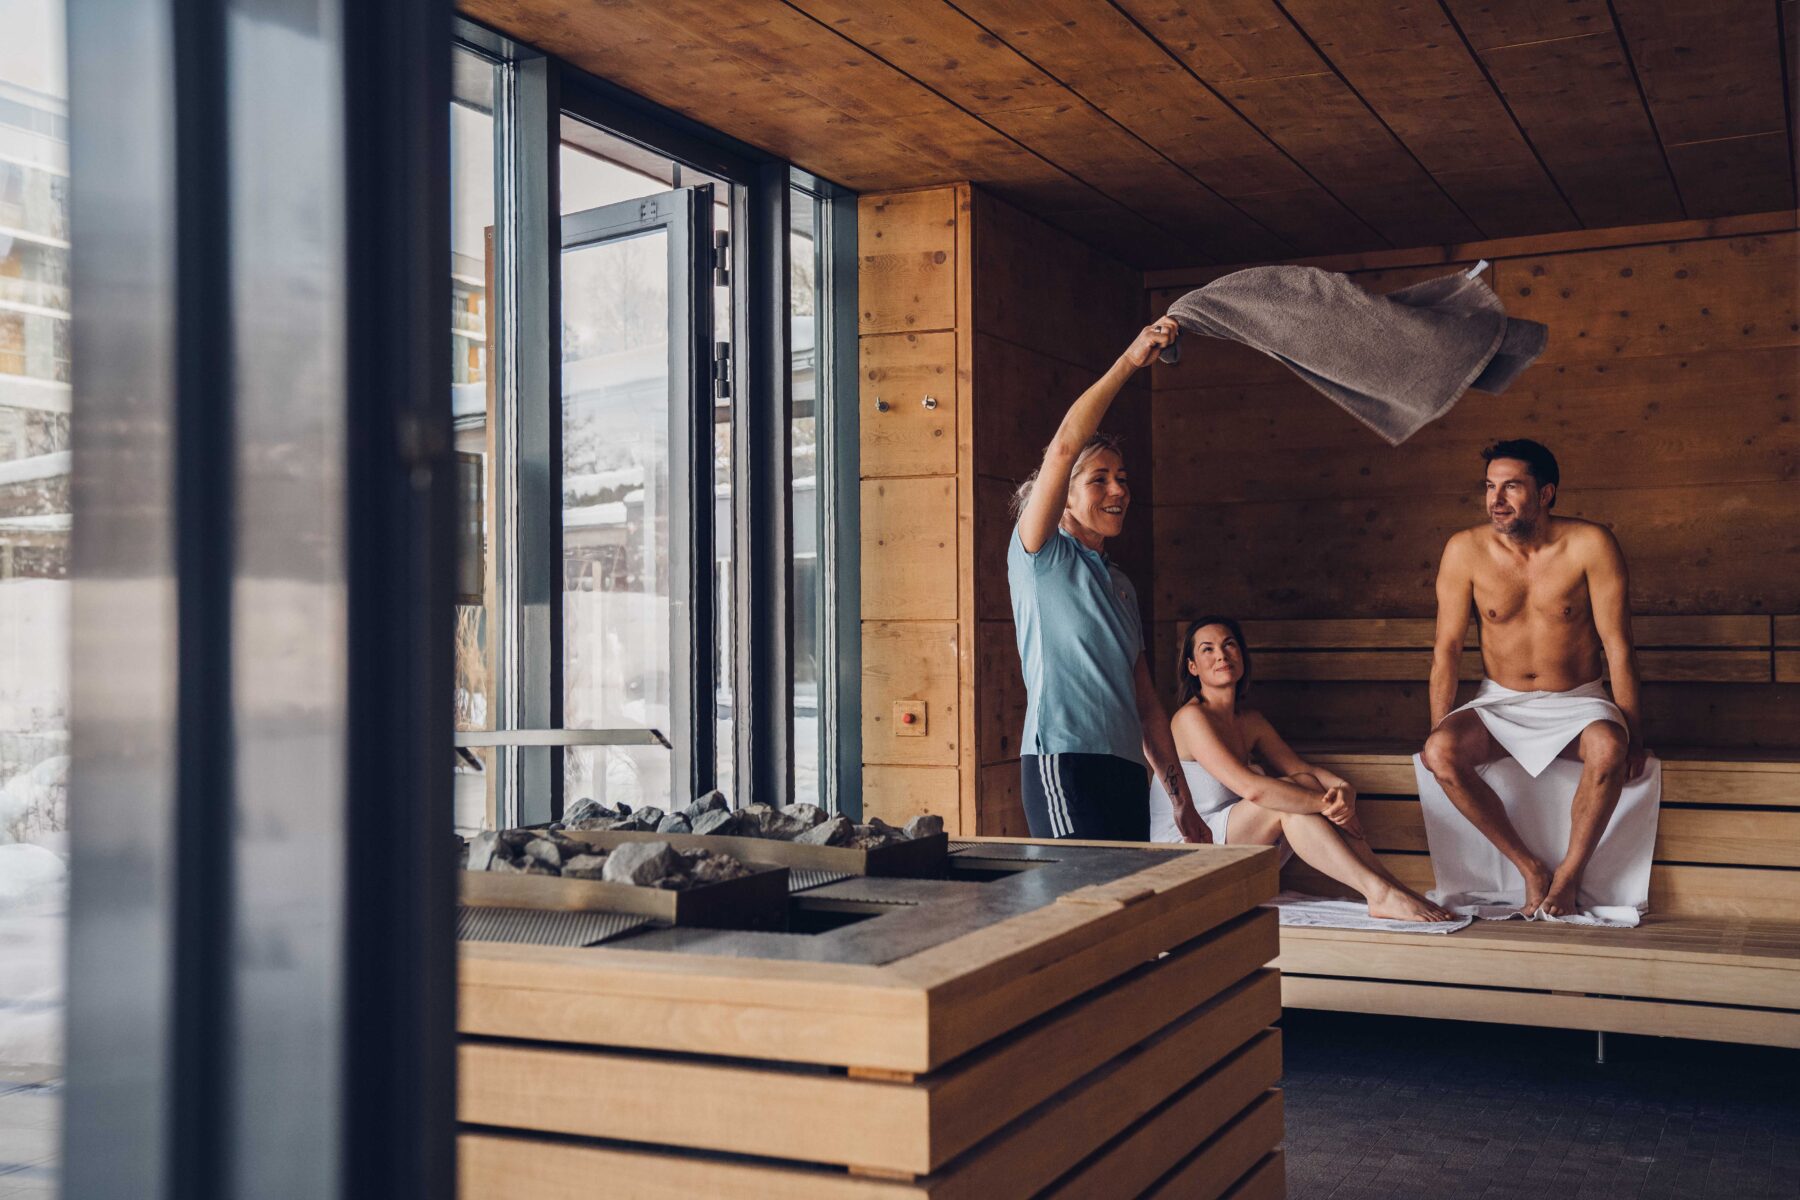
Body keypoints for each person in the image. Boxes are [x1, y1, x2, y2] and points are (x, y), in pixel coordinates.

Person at [1420, 438, 1650, 917]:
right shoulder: (1464, 550)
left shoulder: (1591, 544)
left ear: (1545, 493)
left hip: (1579, 699)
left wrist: (1635, 733)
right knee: (1439, 752)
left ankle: (1567, 876)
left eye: (1511, 487)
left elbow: (1618, 646)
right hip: (1500, 701)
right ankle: (1529, 868)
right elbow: (1446, 652)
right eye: (1489, 487)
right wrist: (1439, 727)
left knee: (1609, 746)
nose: (1495, 500)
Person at [1008, 320, 1201, 842]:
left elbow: (1145, 702)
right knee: (1078, 906)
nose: (1118, 489)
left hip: (1125, 771)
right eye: (1100, 479)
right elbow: (1066, 446)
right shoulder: (1038, 552)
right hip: (1064, 761)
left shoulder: (1121, 585)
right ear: (1064, 497)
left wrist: (1180, 802)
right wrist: (1132, 360)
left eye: (1122, 478)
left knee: (1125, 914)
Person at [1151, 618, 1454, 922]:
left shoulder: (1250, 721)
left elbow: (1304, 770)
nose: (1221, 655)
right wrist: (1327, 805)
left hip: (1232, 839)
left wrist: (1343, 789)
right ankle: (1379, 893)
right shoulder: (1190, 718)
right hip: (1189, 849)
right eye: (1207, 649)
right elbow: (1251, 788)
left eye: (1229, 644)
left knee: (1304, 782)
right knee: (1285, 805)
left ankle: (1392, 887)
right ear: (1192, 667)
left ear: (1241, 655)